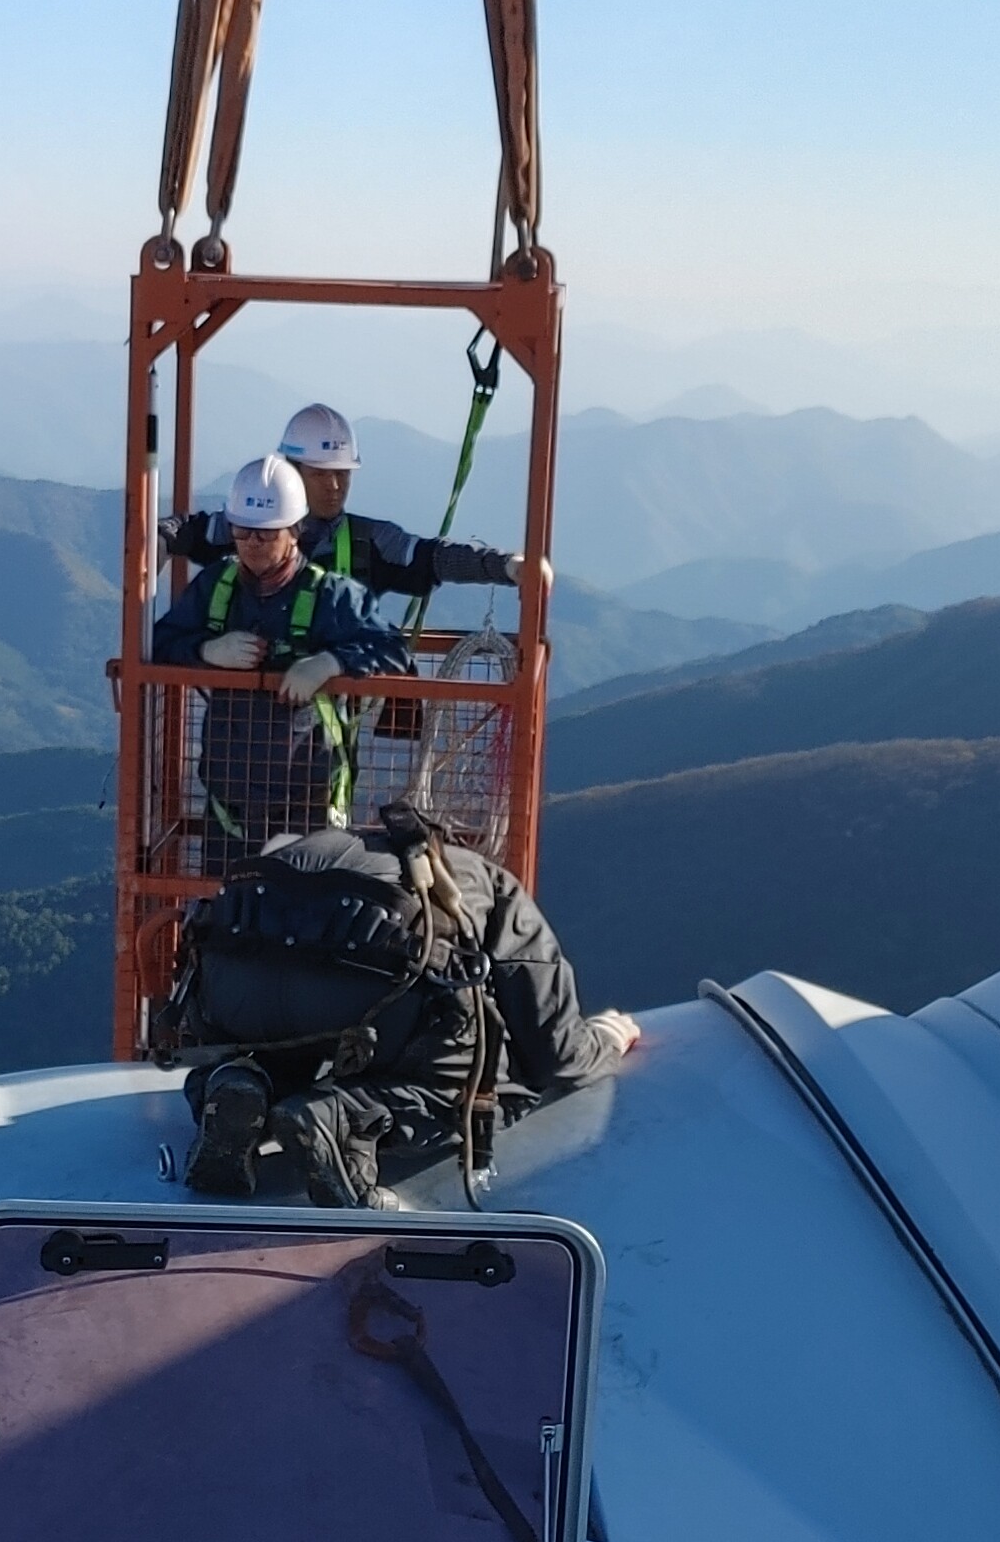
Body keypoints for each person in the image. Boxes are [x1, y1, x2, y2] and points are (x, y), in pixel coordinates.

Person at [175, 806, 642, 1211]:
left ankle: (240, 1083)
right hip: (371, 985)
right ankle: (346, 1117)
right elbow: (555, 1049)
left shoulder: (307, 847)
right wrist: (606, 1037)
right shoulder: (491, 883)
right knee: (505, 1081)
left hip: (234, 984)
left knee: (283, 1034)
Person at [148, 455, 411, 867]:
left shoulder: (332, 597)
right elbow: (162, 641)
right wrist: (205, 650)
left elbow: (392, 648)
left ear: (295, 531)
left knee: (304, 925)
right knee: (229, 922)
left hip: (309, 816)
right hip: (229, 813)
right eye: (242, 531)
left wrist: (330, 663)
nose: (251, 543)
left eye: (266, 534)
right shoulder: (217, 587)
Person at [162, 402, 551, 613]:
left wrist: (506, 566)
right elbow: (190, 530)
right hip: (249, 724)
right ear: (292, 472)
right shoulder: (250, 525)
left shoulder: (373, 542)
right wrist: (162, 538)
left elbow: (434, 557)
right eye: (321, 475)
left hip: (322, 733)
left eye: (343, 474)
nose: (335, 486)